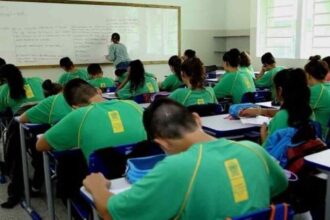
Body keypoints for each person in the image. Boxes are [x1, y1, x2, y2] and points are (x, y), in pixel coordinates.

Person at [83, 98, 288, 220]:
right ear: (197, 119)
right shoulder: (254, 150)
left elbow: (111, 213)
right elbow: (280, 184)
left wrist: (98, 187)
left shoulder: (175, 168)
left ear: (161, 143)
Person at [36, 79, 147, 160]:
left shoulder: (79, 115)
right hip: (141, 172)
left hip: (103, 177)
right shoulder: (133, 105)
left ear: (74, 107)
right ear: (98, 91)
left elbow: (40, 146)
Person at [0, 64, 45, 208]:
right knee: (39, 155)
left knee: (13, 157)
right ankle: (37, 186)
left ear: (4, 79)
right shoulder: (36, 80)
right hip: (43, 122)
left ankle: (15, 193)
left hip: (21, 124)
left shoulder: (4, 90)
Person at [260, 68, 312, 144]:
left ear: (280, 90)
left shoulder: (281, 116)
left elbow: (269, 151)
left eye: (274, 87)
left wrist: (263, 135)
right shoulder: (309, 112)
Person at [304, 55, 330, 139]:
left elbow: (295, 112)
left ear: (308, 75)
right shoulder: (327, 86)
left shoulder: (316, 90)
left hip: (318, 136)